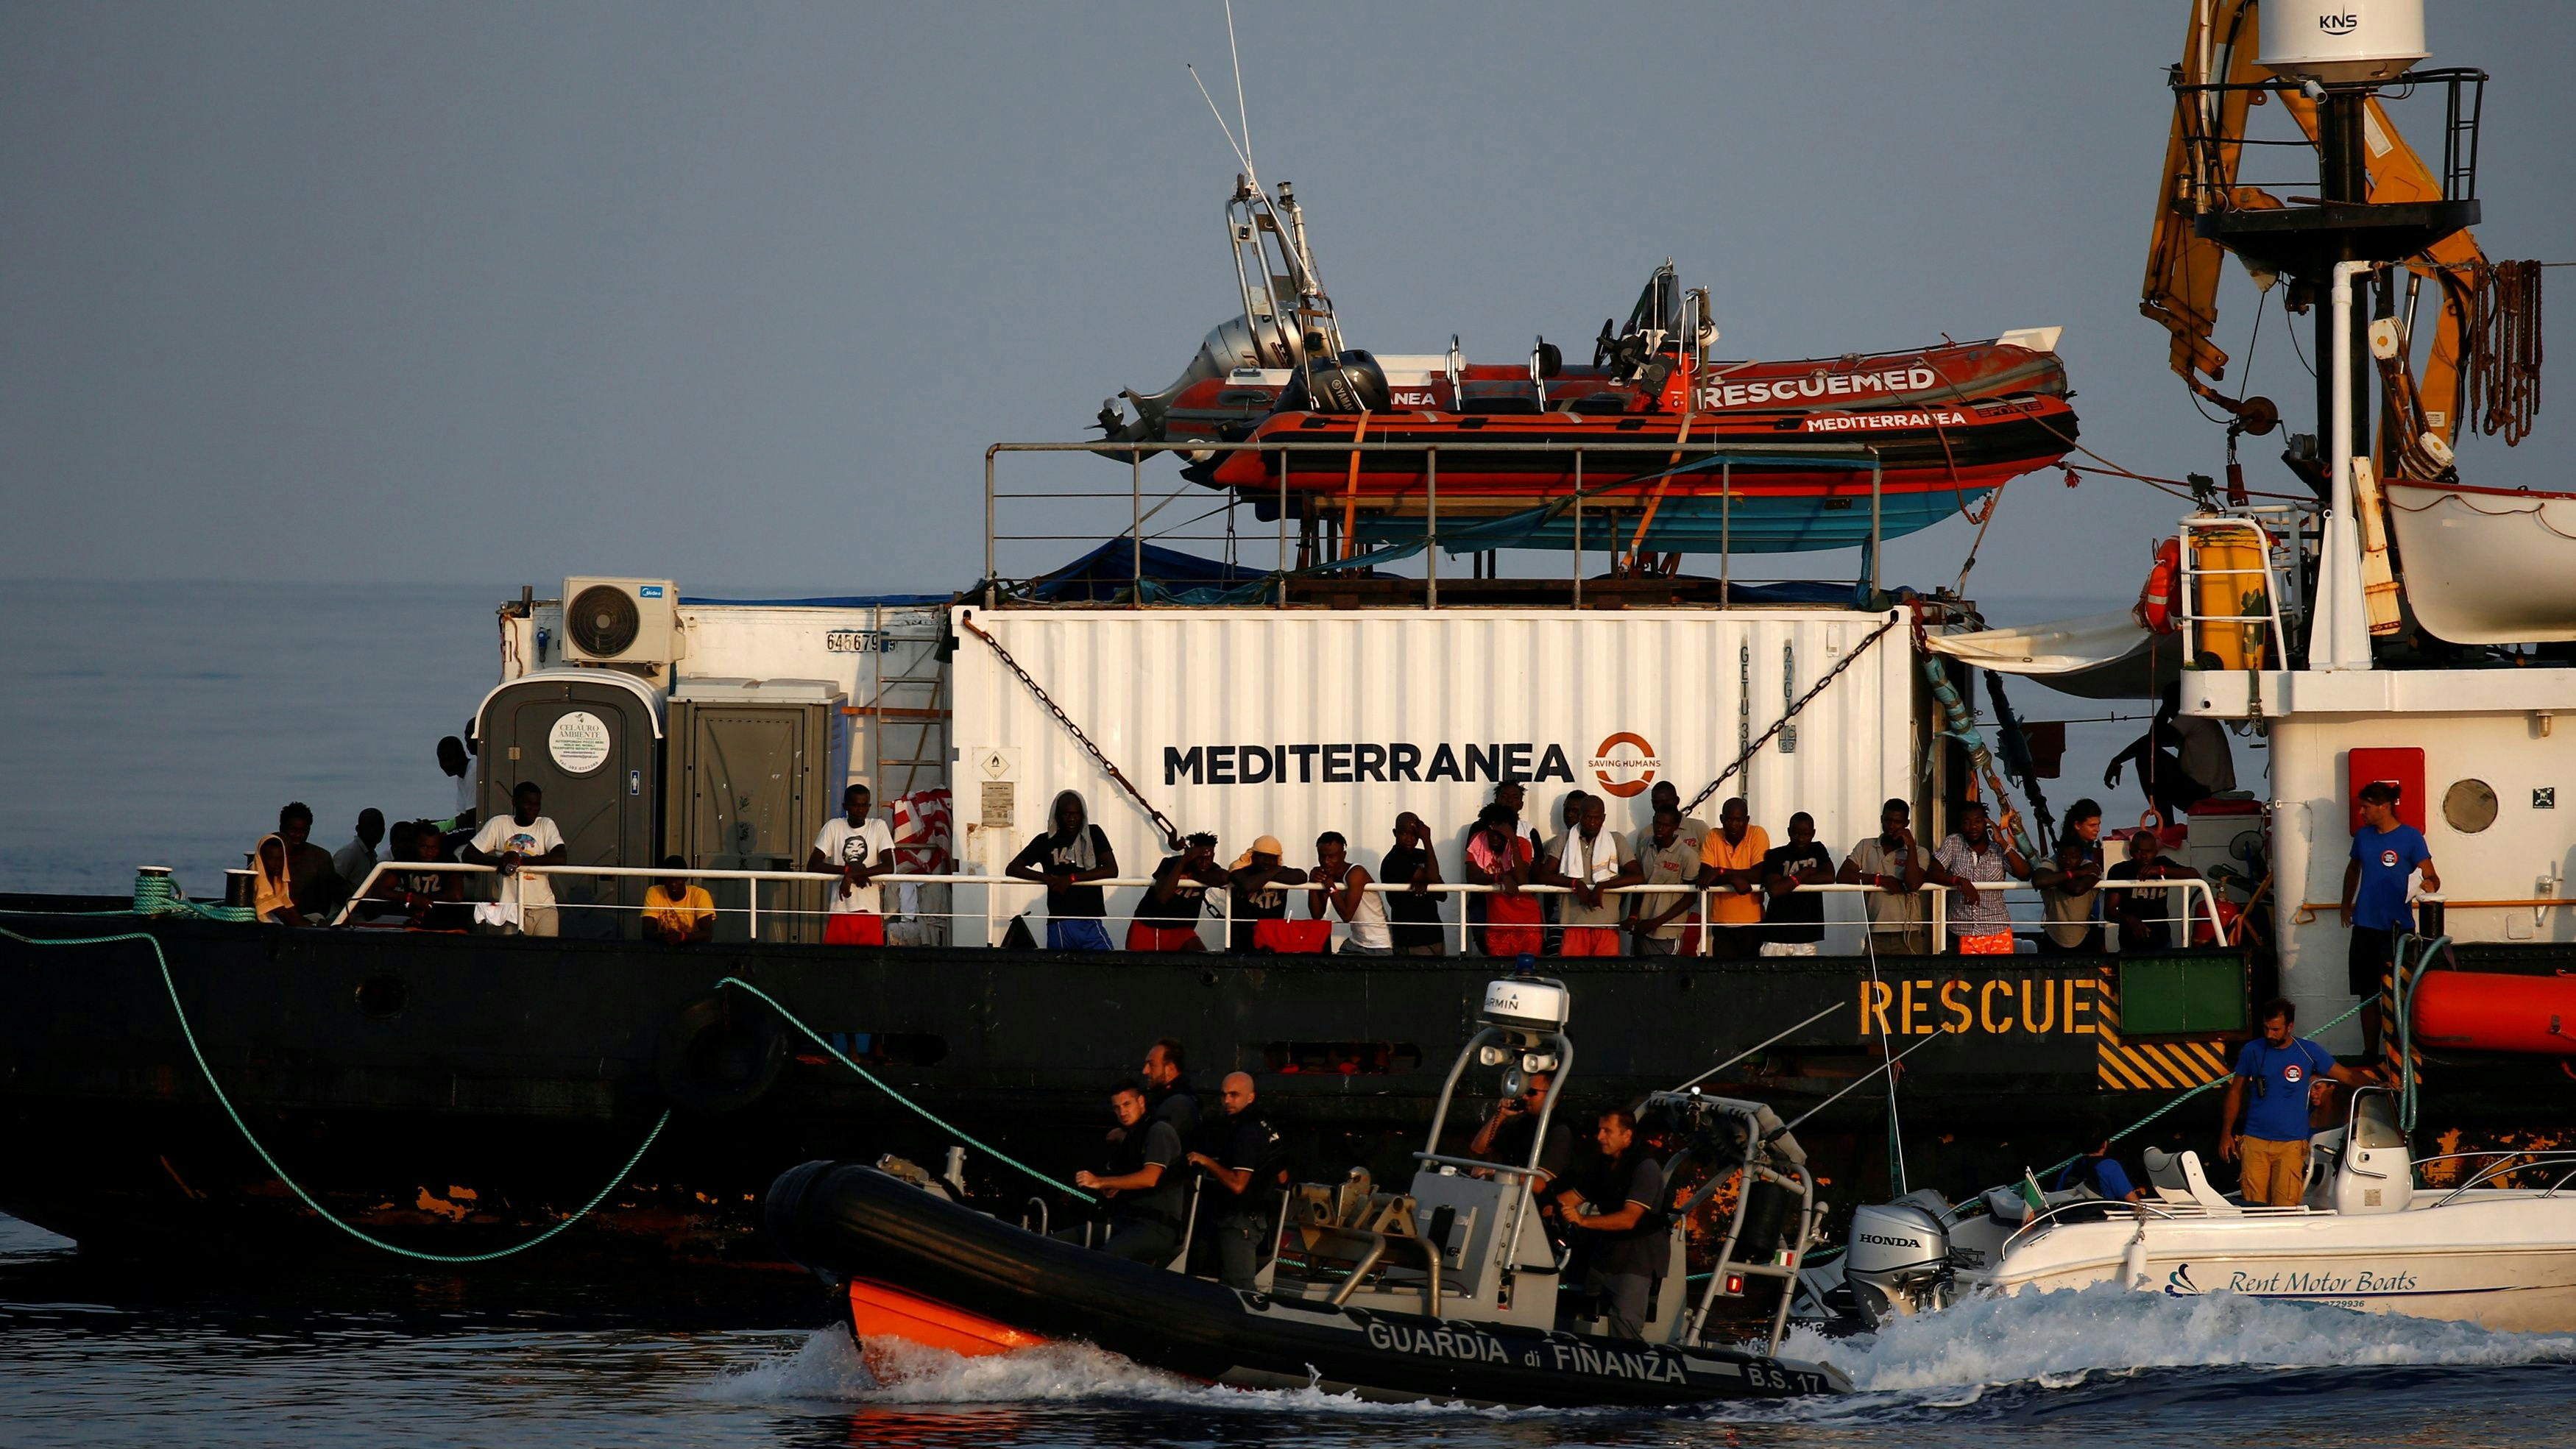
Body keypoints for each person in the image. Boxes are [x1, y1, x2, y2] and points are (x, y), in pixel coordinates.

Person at [2221, 998, 2380, 1205]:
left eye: (2276, 1029)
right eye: (2266, 1029)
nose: (2270, 1035)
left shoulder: (2308, 1051)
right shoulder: (2252, 1050)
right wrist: (2226, 1133)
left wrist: (2378, 1085)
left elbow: (2347, 1076)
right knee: (2253, 1208)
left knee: (2285, 1207)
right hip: (2254, 1142)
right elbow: (2235, 1092)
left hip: (2291, 1144)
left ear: (2290, 1027)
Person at [1553, 1109, 1669, 1341]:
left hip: (1637, 1256)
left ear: (1627, 1136)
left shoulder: (1645, 1168)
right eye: (1599, 1130)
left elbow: (1629, 1218)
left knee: (1624, 1320)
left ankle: (1630, 1364)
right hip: (1605, 1252)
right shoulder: (1603, 1165)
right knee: (1581, 1306)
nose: (1599, 1136)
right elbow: (1569, 1198)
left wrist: (1583, 1220)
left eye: (1607, 1131)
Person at [2343, 779, 2438, 1058]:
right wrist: (2346, 904)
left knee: (2399, 993)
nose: (2362, 813)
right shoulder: (2362, 837)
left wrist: (2426, 887)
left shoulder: (2411, 837)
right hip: (2365, 927)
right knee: (2367, 993)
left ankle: (2398, 1051)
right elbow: (2353, 868)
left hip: (2398, 929)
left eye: (2366, 807)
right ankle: (2370, 1051)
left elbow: (2432, 876)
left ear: (2384, 807)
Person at [1070, 1082, 1188, 1264]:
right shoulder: (1132, 1138)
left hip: (1156, 1226)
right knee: (1066, 1240)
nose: (1122, 1112)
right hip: (1127, 1221)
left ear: (1141, 1102)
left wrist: (1101, 1182)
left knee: (1105, 1257)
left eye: (1127, 1105)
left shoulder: (1159, 1131)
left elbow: (1150, 1178)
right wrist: (1112, 1186)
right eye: (1117, 1108)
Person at [1183, 1071, 1279, 1290]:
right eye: (1224, 1095)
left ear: (1250, 1097)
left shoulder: (1246, 1132)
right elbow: (1283, 1174)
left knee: (1239, 1288)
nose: (1226, 1101)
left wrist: (1206, 1162)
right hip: (1252, 1216)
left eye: (1234, 1095)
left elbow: (1238, 1184)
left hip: (1240, 1220)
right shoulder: (1266, 1126)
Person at [2104, 677, 2237, 821]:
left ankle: (2164, 822)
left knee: (2146, 754)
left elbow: (2152, 740)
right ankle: (2165, 821)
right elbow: (2156, 738)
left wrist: (2117, 760)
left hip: (2204, 793)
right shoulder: (2202, 719)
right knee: (2150, 753)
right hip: (2209, 790)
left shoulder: (2192, 716)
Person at [1007, 790, 1119, 952]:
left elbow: (1112, 870)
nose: (1072, 818)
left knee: (1108, 964)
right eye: (1066, 814)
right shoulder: (1045, 841)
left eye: (1076, 814)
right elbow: (1013, 868)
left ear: (1083, 814)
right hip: (1061, 920)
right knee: (1060, 971)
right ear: (1057, 815)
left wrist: (1071, 878)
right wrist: (1047, 878)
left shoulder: (1093, 834)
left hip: (1091, 919)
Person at [462, 782, 567, 936]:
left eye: (537, 804)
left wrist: (519, 861)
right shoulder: (499, 824)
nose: (533, 809)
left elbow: (560, 857)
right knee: (512, 957)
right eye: (527, 804)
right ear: (515, 802)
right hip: (510, 908)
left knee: (546, 956)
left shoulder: (545, 824)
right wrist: (501, 861)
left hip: (543, 907)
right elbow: (469, 854)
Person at [1929, 800, 2030, 954]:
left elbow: (2024, 874)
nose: (1973, 827)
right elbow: (1932, 873)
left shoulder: (1998, 849)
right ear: (1961, 825)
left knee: (2000, 976)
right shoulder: (1954, 843)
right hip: (1963, 930)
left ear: (1987, 823)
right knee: (1967, 978)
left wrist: (2002, 842)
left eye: (1978, 821)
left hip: (1997, 929)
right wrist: (1960, 881)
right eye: (1967, 822)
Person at [807, 784, 897, 946]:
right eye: (855, 805)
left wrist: (854, 875)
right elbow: (813, 865)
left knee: (869, 964)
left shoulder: (878, 826)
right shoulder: (834, 826)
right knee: (837, 964)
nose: (860, 810)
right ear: (845, 806)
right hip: (840, 908)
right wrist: (849, 870)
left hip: (869, 909)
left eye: (864, 805)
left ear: (869, 806)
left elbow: (889, 866)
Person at [1545, 795, 1635, 957]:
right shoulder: (1565, 839)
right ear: (1580, 816)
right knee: (1571, 977)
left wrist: (1603, 885)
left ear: (1603, 818)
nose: (1592, 823)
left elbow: (1638, 876)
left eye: (1596, 818)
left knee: (1605, 978)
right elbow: (1544, 876)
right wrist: (1576, 884)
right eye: (1587, 817)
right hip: (1572, 925)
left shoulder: (1616, 840)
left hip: (1607, 927)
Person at [1465, 1070, 1574, 1202]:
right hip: (1509, 1198)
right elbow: (1479, 1147)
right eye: (1524, 1092)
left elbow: (1540, 1185)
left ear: (1551, 1094)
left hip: (1534, 1207)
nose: (1524, 1097)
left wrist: (1499, 1173)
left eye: (1531, 1092)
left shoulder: (1559, 1132)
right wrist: (1501, 1115)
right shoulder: (1526, 1123)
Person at [1840, 798, 1931, 953]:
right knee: (1869, 976)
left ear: (1906, 823)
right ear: (1882, 819)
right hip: (1876, 932)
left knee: (1912, 976)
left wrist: (1911, 847)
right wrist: (1879, 879)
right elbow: (1843, 876)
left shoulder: (1920, 852)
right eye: (1888, 820)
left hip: (1909, 933)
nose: (1891, 826)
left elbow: (1913, 884)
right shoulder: (1866, 846)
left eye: (1897, 822)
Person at [1465, 804, 1543, 958]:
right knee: (1500, 975)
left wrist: (1513, 842)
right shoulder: (1478, 841)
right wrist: (1500, 877)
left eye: (1500, 835)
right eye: (1491, 833)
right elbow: (1472, 877)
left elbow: (1521, 878)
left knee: (1527, 977)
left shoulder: (1522, 844)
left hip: (1527, 924)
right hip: (1497, 924)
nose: (1494, 838)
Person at [1696, 797, 1769, 959]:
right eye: (1729, 819)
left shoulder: (1757, 834)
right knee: (1724, 978)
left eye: (1739, 820)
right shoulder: (1713, 836)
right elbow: (1705, 876)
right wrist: (1734, 879)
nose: (1734, 825)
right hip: (1722, 924)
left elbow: (1758, 874)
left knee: (1751, 977)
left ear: (1747, 820)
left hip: (1753, 923)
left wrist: (1721, 872)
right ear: (1722, 819)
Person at [2032, 798, 2106, 954]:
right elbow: (2043, 881)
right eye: (2092, 825)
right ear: (2077, 825)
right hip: (2070, 927)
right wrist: (2075, 873)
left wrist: (2057, 877)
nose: (2098, 829)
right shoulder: (2066, 860)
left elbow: (2075, 886)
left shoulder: (2085, 859)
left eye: (2098, 824)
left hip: (2090, 923)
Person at [2106, 829, 2201, 951]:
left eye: (2149, 851)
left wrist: (2161, 870)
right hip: (2130, 941)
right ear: (2130, 851)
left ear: (2156, 852)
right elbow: (2109, 912)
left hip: (2162, 939)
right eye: (2139, 851)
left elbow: (2195, 875)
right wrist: (2130, 920)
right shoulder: (2119, 870)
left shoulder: (2162, 863)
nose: (2144, 856)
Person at [1758, 812, 1836, 957]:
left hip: (1806, 935)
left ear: (1813, 833)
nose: (1800, 838)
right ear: (1789, 832)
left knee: (1805, 979)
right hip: (1776, 934)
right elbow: (1775, 890)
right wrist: (1805, 873)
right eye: (1796, 833)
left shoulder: (1817, 849)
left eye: (1805, 834)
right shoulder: (1775, 854)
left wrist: (1788, 881)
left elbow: (1829, 877)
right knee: (1771, 979)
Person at [1129, 832, 1223, 952]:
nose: (1204, 863)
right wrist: (1183, 861)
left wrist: (1191, 876)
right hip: (1149, 927)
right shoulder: (1171, 863)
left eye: (1208, 858)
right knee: (1139, 966)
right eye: (1200, 858)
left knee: (1203, 961)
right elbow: (1163, 897)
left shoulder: (1210, 869)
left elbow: (1223, 878)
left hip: (1181, 930)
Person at [1626, 808, 1700, 957]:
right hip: (1641, 929)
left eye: (1665, 825)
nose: (1660, 829)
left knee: (1664, 978)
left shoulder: (1688, 855)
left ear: (1675, 827)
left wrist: (1655, 923)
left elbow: (1690, 897)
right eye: (1657, 823)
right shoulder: (1644, 846)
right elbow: (1639, 887)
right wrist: (1633, 916)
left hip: (1668, 932)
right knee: (1640, 977)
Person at [366, 821, 466, 929]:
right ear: (414, 844)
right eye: (424, 847)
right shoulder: (406, 859)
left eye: (434, 847)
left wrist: (421, 900)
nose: (430, 851)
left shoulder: (448, 859)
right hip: (414, 920)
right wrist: (411, 898)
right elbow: (379, 891)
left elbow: (456, 895)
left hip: (447, 921)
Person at [1309, 832, 1392, 955]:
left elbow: (1347, 915)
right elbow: (1317, 914)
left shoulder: (1356, 873)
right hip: (1356, 943)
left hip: (1379, 945)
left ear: (1343, 855)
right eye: (1322, 856)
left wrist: (1331, 887)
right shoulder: (1329, 875)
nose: (1326, 861)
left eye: (1331, 856)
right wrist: (1313, 883)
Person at [1378, 813, 1448, 956]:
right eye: (1404, 833)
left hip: (1435, 935)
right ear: (1395, 833)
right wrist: (1427, 839)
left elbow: (1442, 894)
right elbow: (1433, 876)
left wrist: (1426, 882)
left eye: (1415, 834)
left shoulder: (1422, 855)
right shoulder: (1393, 861)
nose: (1409, 838)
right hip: (1410, 938)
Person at [1225, 836, 1306, 952]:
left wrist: (1268, 875)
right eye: (1262, 856)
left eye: (1272, 858)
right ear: (1253, 855)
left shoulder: (1281, 871)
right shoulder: (1240, 871)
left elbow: (1301, 876)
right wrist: (1276, 870)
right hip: (1243, 937)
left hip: (1272, 939)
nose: (1267, 861)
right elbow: (1248, 885)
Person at [275, 802, 347, 921]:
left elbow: (335, 892)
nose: (298, 835)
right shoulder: (271, 857)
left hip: (313, 921)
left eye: (303, 830)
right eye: (293, 830)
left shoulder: (320, 858)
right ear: (282, 829)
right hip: (276, 920)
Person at [642, 854, 717, 944]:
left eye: (678, 877)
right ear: (663, 878)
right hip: (664, 947)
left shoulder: (700, 895)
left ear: (686, 878)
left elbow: (707, 935)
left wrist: (681, 937)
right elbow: (646, 931)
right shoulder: (654, 892)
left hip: (693, 949)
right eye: (668, 877)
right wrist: (666, 937)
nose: (673, 882)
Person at [1140, 1037, 1198, 1138]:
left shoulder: (1179, 1105)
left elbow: (1158, 1143)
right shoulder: (1160, 1098)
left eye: (1151, 1065)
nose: (1145, 1071)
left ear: (1170, 1069)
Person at [2053, 1142, 2145, 1204]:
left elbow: (2058, 1196)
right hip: (2107, 1220)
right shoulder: (2109, 1165)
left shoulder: (2073, 1167)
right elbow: (2134, 1203)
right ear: (2105, 1144)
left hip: (2074, 1220)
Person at [247, 833, 301, 927]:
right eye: (271, 859)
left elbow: (290, 911)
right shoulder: (257, 880)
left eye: (280, 859)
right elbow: (285, 917)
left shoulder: (277, 880)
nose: (277, 864)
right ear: (261, 859)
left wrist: (314, 926)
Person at [332, 809, 386, 896]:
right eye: (371, 825)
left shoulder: (371, 856)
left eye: (380, 825)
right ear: (358, 829)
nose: (376, 829)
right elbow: (334, 885)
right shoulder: (349, 852)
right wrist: (357, 904)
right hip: (344, 909)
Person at [435, 735, 478, 834]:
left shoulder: (474, 772)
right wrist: (434, 823)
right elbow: (463, 816)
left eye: (449, 760)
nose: (445, 765)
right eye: (442, 761)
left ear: (462, 754)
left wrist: (441, 826)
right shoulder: (461, 776)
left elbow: (472, 818)